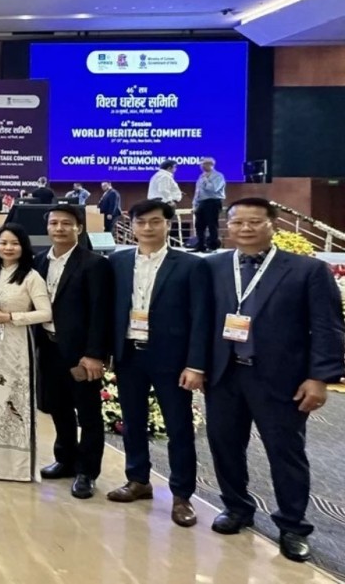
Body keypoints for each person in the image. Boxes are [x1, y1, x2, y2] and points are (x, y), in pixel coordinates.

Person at [204, 197, 345, 563]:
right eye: (238, 222)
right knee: (224, 446)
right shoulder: (215, 266)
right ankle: (237, 508)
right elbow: (201, 322)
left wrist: (320, 378)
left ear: (273, 225)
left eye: (254, 222)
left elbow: (328, 328)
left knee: (286, 453)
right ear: (228, 226)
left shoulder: (306, 270)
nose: (245, 229)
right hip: (224, 375)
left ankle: (293, 526)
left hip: (281, 379)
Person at [107, 200, 211, 527]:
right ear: (132, 226)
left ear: (168, 225)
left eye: (155, 222)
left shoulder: (191, 265)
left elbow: (201, 319)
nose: (148, 228)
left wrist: (195, 364)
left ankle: (182, 495)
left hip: (171, 358)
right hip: (129, 354)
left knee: (178, 427)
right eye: (142, 223)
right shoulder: (118, 261)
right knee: (133, 421)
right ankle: (138, 480)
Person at [33, 203, 113, 499]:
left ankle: (87, 471)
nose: (59, 229)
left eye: (66, 223)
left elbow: (99, 313)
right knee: (58, 408)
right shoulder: (39, 261)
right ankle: (65, 459)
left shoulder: (94, 264)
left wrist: (94, 354)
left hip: (80, 353)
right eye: (54, 223)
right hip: (49, 348)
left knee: (88, 413)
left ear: (79, 227)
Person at [0, 224, 51, 482]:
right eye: (3, 243)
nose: (8, 248)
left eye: (14, 243)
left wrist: (10, 317)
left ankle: (14, 466)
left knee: (13, 400)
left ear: (23, 248)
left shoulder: (31, 276)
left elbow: (45, 313)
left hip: (17, 345)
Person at [192, 157, 226, 253]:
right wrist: (194, 204)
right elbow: (197, 191)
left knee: (212, 224)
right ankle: (200, 245)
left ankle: (212, 246)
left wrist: (206, 179)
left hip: (213, 201)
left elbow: (213, 189)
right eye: (201, 164)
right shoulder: (201, 177)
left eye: (203, 164)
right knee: (199, 225)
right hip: (201, 202)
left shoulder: (218, 176)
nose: (201, 166)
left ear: (210, 165)